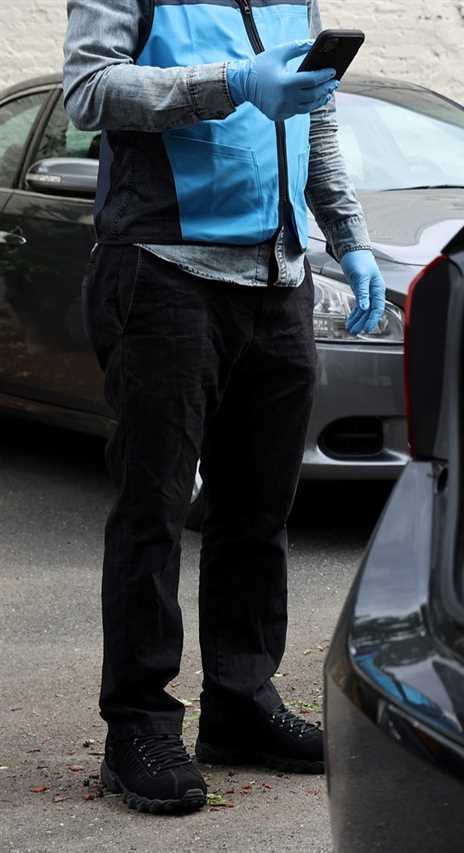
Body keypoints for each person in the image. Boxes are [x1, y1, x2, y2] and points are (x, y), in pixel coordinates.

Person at [63, 0, 384, 815]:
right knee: (154, 508)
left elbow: (315, 118)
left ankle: (240, 703)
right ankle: (138, 721)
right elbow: (90, 91)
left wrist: (348, 236)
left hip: (278, 279)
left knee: (257, 510)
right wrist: (235, 82)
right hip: (162, 273)